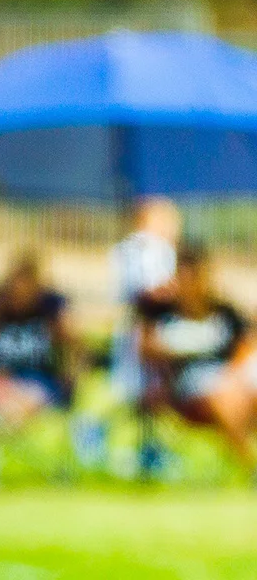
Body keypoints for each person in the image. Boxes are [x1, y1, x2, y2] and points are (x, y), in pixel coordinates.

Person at [139, 242, 257, 470]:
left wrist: (232, 373)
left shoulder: (225, 312)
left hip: (233, 383)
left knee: (235, 390)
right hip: (189, 390)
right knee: (225, 396)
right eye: (185, 276)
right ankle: (249, 467)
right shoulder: (162, 313)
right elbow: (146, 349)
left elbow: (246, 345)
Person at [0, 253, 76, 421]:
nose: (21, 292)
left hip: (39, 383)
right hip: (3, 382)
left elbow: (73, 346)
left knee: (22, 405)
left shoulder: (49, 311)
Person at [110, 198, 181, 401]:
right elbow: (150, 291)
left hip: (134, 322)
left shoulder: (125, 248)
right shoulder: (155, 247)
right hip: (150, 323)